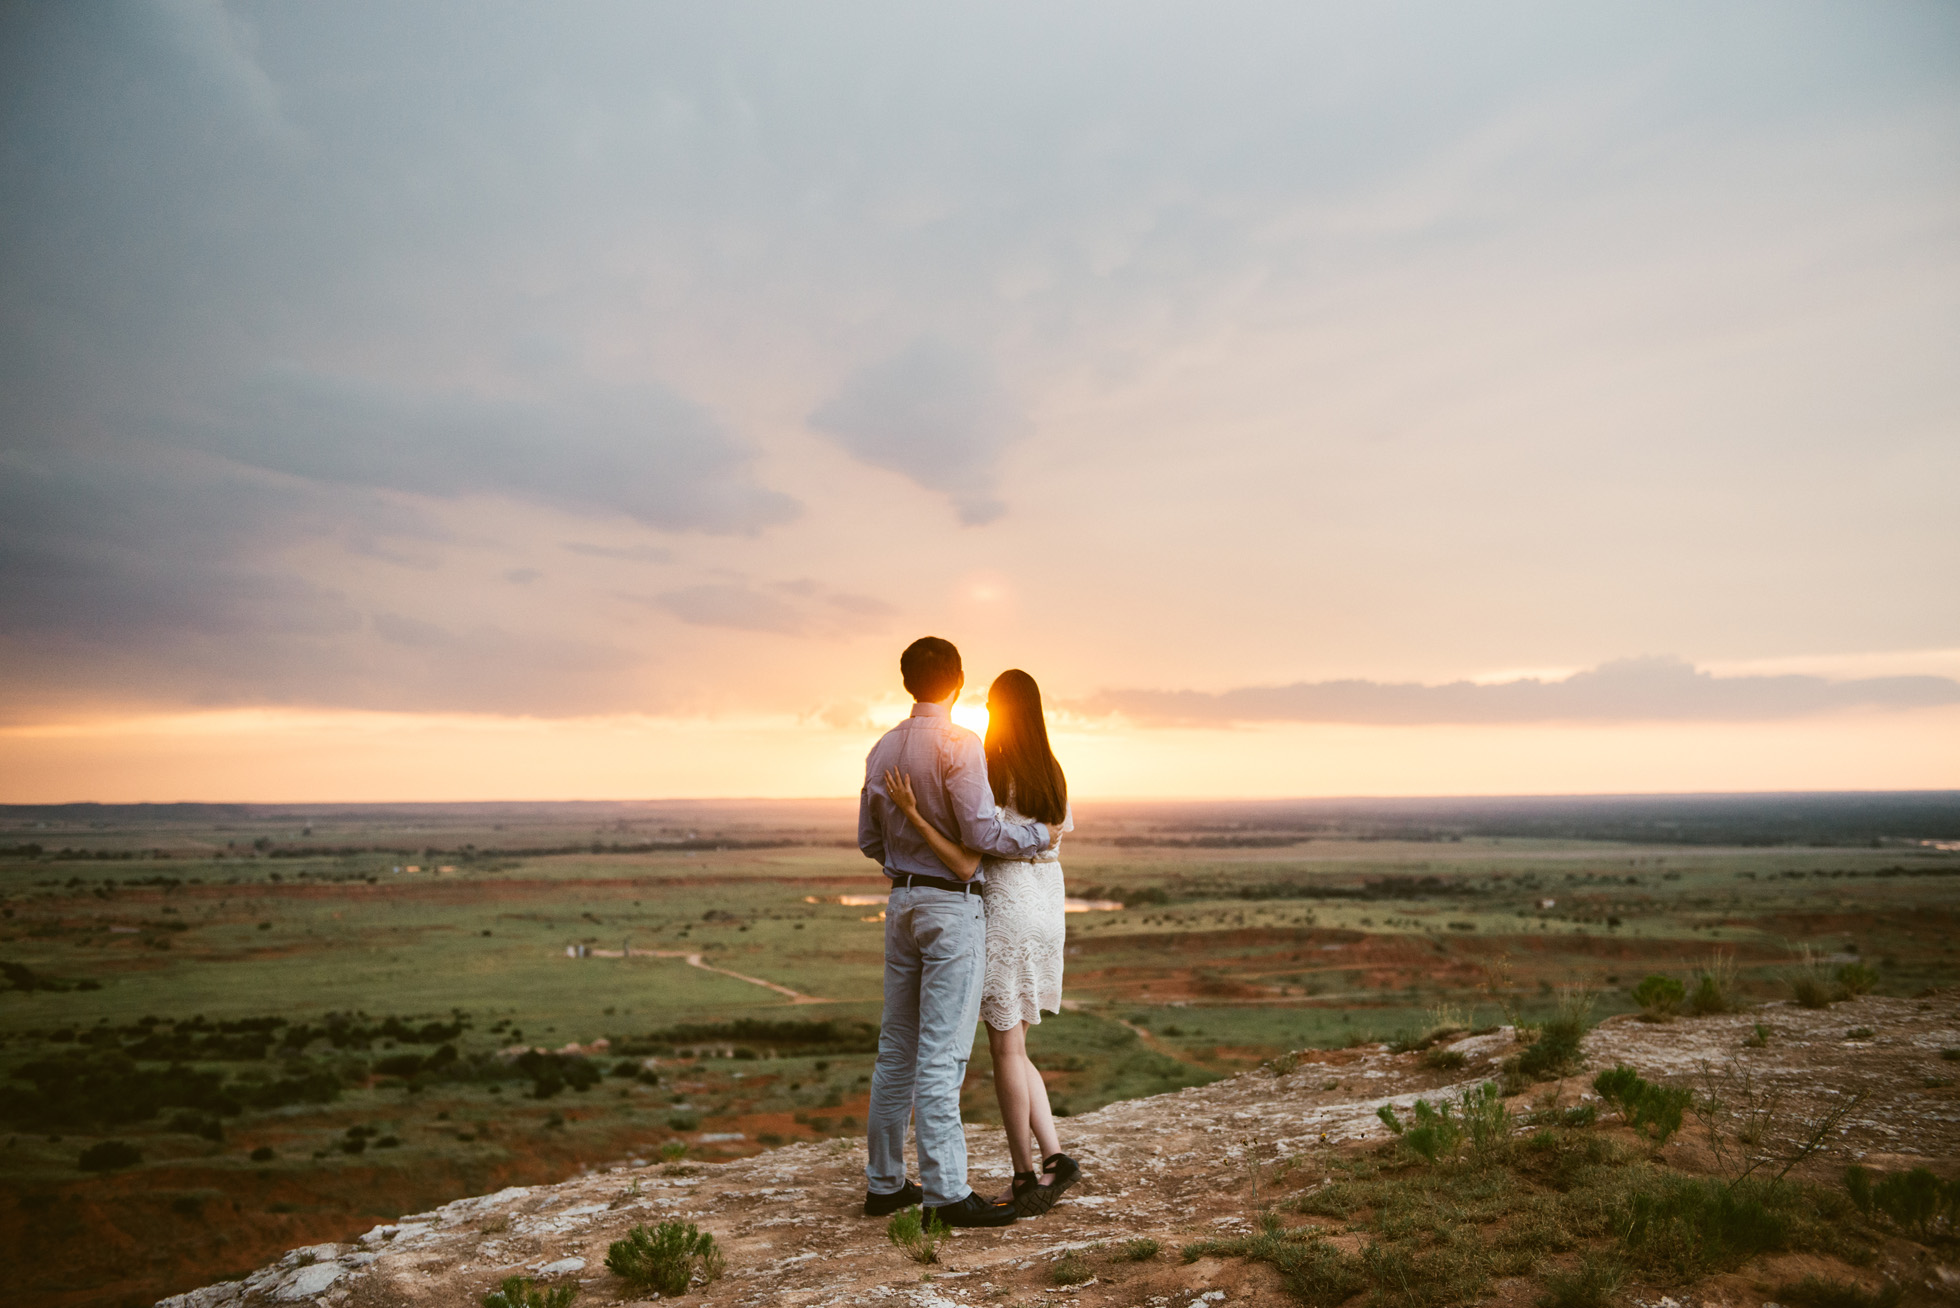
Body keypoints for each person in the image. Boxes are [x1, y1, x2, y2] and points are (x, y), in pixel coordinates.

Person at [857, 637, 1060, 1229]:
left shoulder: (882, 748)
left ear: (905, 681)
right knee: (943, 1056)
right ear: (959, 680)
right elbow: (981, 833)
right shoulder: (960, 744)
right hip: (951, 908)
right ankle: (946, 1195)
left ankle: (885, 1184)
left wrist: (908, 859)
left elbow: (870, 840)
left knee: (895, 1049)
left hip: (902, 906)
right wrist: (1037, 838)